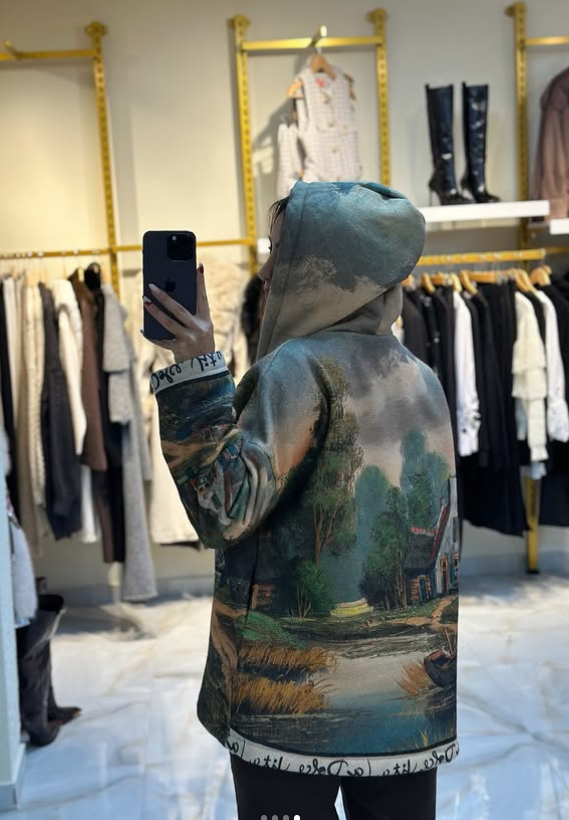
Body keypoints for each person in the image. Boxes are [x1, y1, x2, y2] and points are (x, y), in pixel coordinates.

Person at [143, 181, 459, 820]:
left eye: (280, 254)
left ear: (325, 270)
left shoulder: (296, 369)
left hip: (293, 722)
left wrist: (196, 372)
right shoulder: (421, 378)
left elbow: (222, 510)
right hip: (407, 717)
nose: (266, 273)